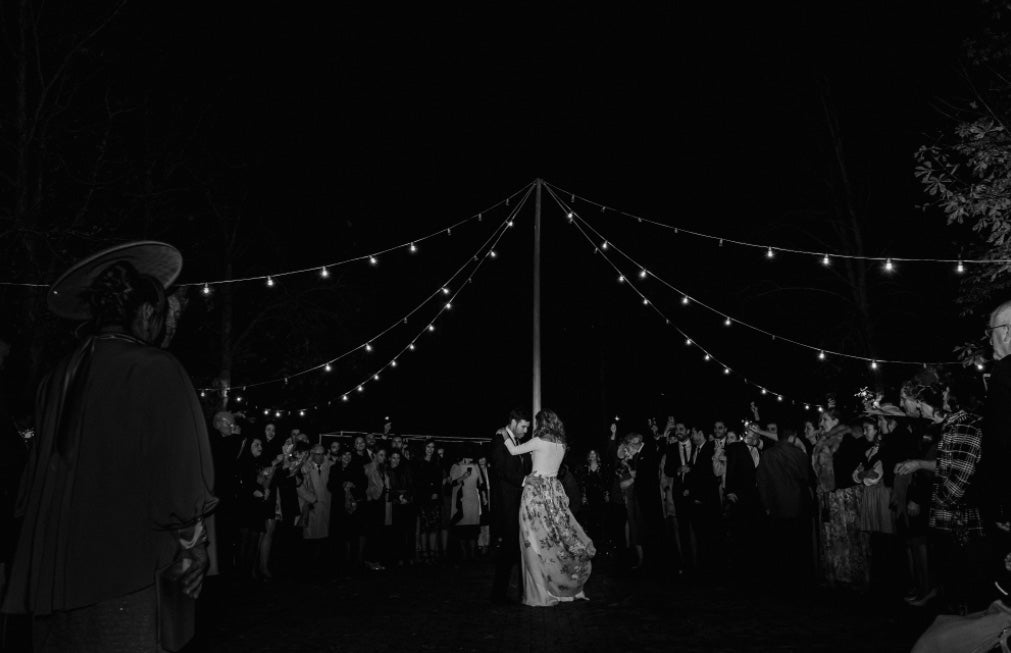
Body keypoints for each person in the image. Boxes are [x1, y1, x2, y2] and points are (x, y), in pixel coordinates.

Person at [2, 243, 217, 652]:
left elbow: (30, 487)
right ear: (147, 314)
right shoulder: (156, 369)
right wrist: (196, 546)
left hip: (51, 589)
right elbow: (179, 483)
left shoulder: (55, 377)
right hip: (123, 582)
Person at [502, 409, 595, 606]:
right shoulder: (562, 444)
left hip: (535, 492)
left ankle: (540, 592)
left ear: (541, 424)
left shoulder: (538, 442)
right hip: (553, 492)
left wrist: (503, 434)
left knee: (532, 541)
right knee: (554, 540)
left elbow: (512, 450)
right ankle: (561, 587)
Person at [756, 426, 815, 590]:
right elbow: (807, 477)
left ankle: (784, 581)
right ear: (793, 437)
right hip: (798, 506)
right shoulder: (799, 454)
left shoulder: (767, 454)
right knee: (800, 546)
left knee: (782, 546)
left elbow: (762, 483)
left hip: (777, 507)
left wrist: (766, 505)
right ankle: (801, 581)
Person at [489, 408, 531, 604]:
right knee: (509, 548)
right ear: (513, 422)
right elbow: (501, 468)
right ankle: (500, 594)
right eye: (523, 426)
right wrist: (524, 480)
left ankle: (513, 591)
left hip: (516, 502)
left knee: (514, 548)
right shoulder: (499, 440)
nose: (525, 430)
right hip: (506, 504)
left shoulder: (516, 441)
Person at [449, 449, 482, 561]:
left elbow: (481, 483)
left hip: (473, 500)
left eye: (471, 457)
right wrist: (463, 477)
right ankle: (463, 555)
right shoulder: (456, 466)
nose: (469, 460)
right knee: (462, 529)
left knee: (472, 530)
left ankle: (472, 556)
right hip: (461, 500)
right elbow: (452, 483)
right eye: (467, 457)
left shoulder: (476, 466)